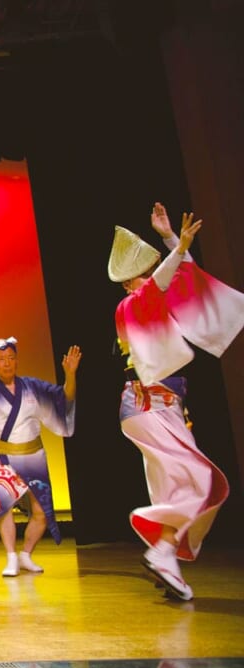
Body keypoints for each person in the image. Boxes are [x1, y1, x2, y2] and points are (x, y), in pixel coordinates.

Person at [108, 203, 242, 601]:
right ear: (132, 282)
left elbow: (182, 279)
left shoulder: (150, 302)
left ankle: (169, 570)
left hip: (158, 408)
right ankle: (163, 551)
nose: (152, 280)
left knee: (174, 491)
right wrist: (177, 247)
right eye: (145, 276)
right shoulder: (130, 307)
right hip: (149, 407)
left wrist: (172, 241)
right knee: (201, 481)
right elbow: (164, 280)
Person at [0, 338, 80, 577]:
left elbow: (63, 399)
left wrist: (70, 375)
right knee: (4, 509)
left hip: (34, 455)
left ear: (16, 361)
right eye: (1, 360)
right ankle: (10, 557)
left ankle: (26, 554)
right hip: (3, 457)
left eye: (11, 358)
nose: (7, 364)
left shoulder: (33, 387)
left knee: (42, 512)